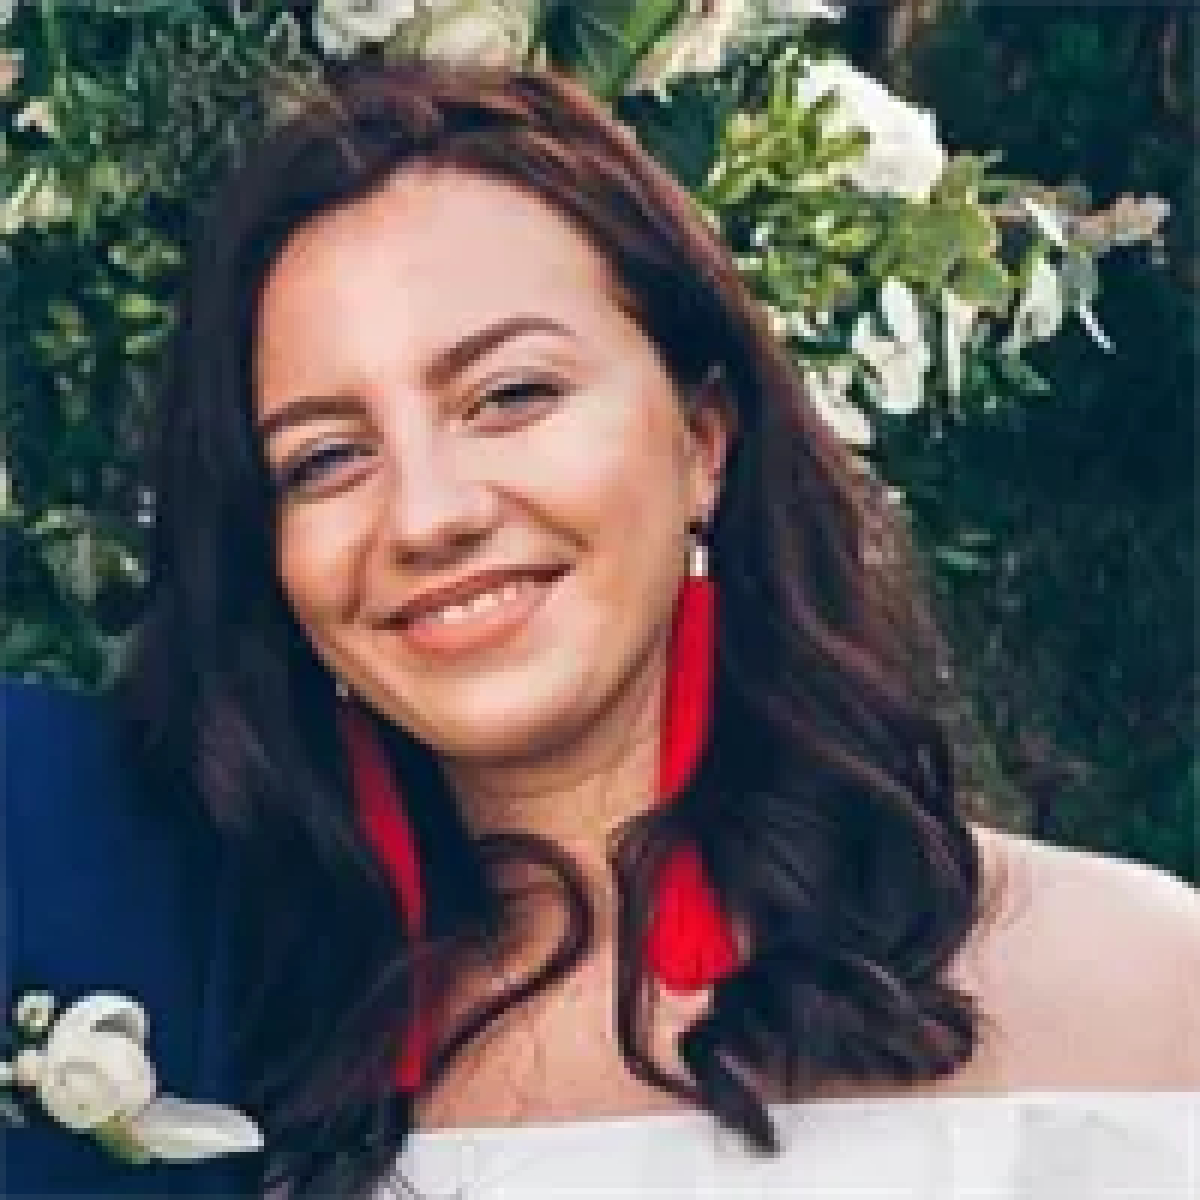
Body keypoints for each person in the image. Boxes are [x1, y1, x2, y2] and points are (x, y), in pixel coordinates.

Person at [3, 58, 1197, 1198]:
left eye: (511, 395)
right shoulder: (240, 1058)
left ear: (704, 440)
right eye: (325, 459)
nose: (428, 516)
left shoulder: (1132, 995)